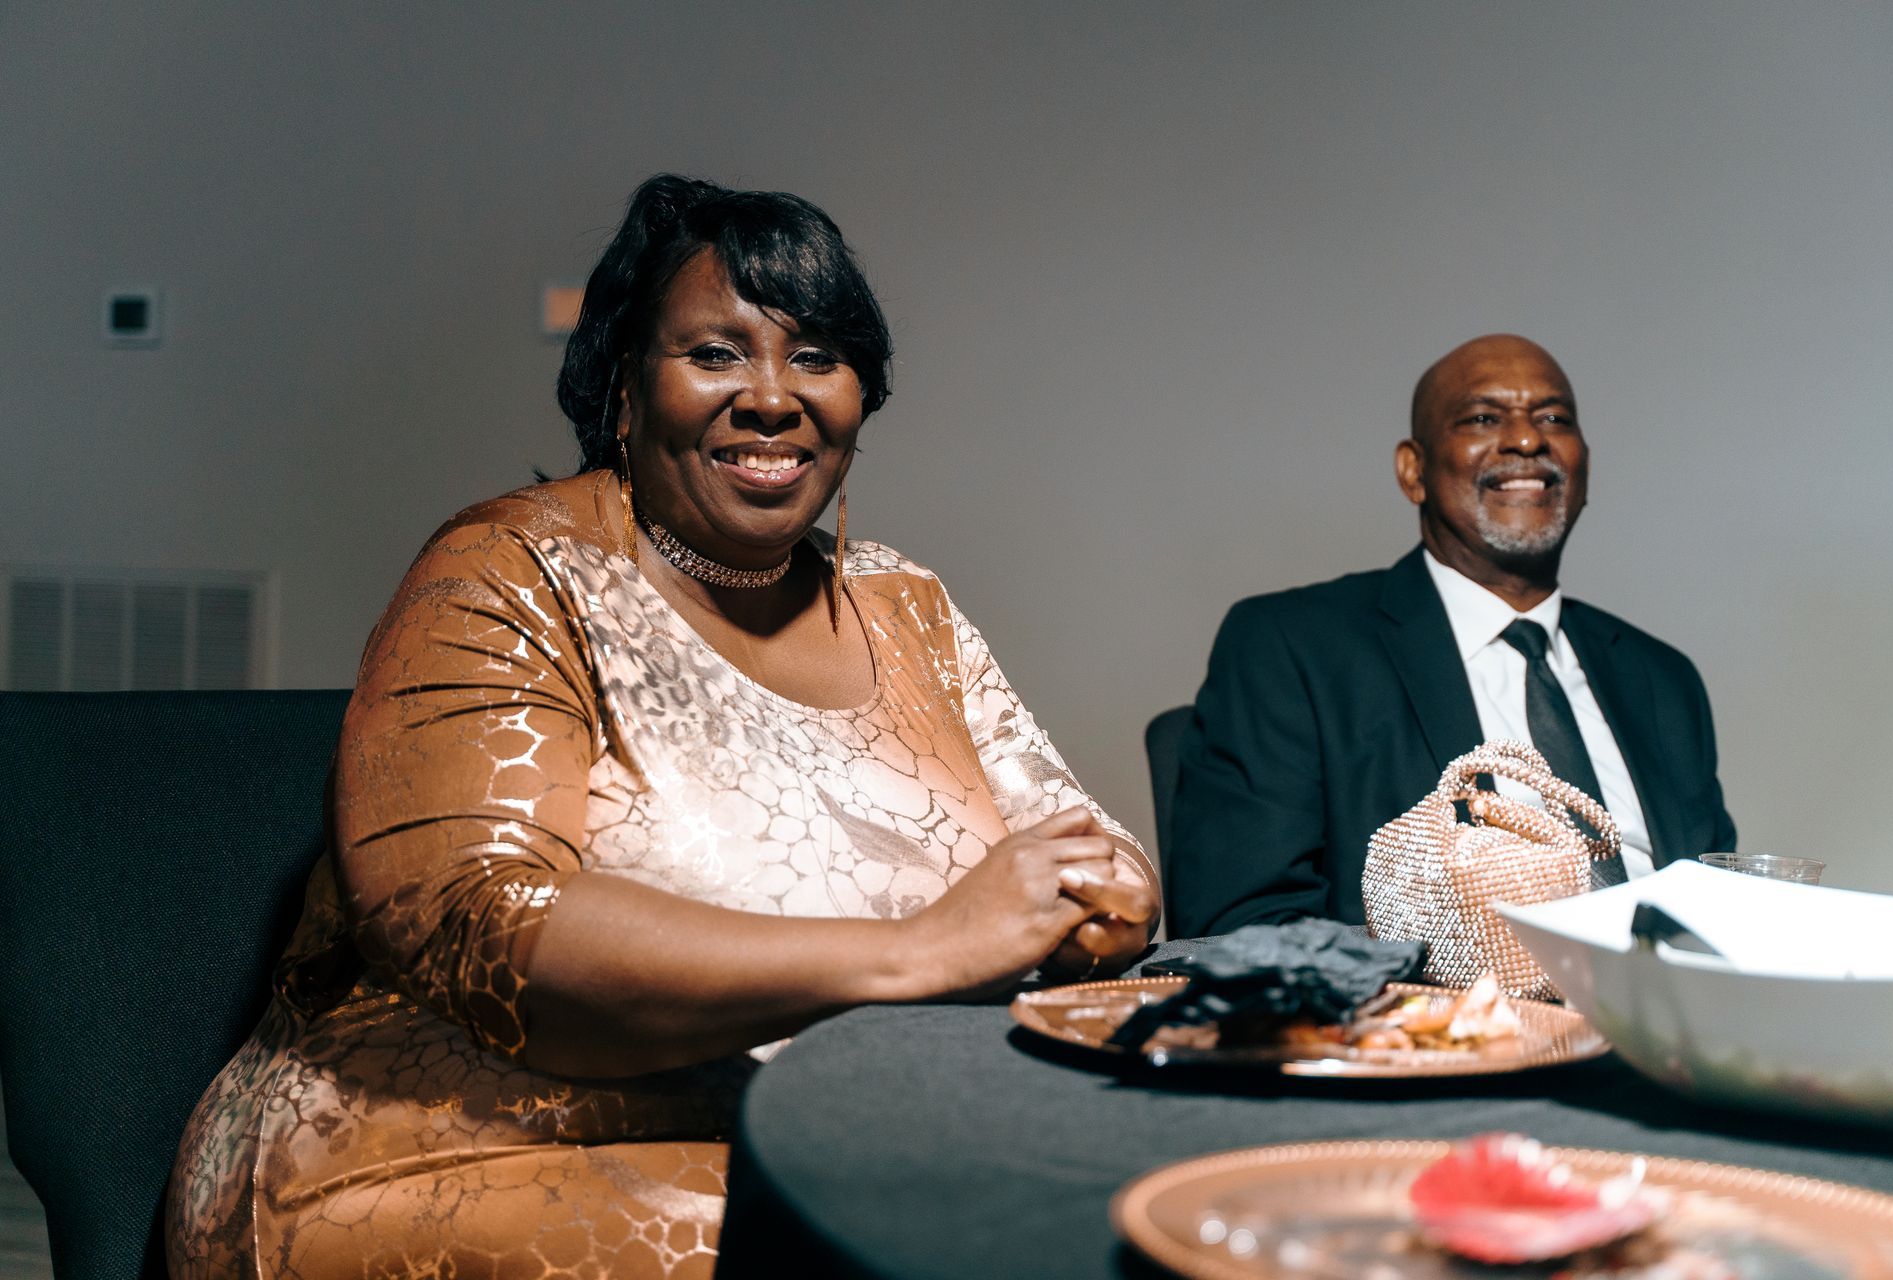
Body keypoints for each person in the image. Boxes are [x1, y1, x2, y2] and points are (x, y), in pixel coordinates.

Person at [166, 175, 1157, 1279]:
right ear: (625, 390)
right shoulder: (512, 570)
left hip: (816, 1128)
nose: (775, 397)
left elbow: (1099, 867)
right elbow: (482, 928)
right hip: (442, 1147)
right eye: (717, 353)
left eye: (818, 356)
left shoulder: (903, 602)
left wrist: (1079, 907)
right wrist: (919, 949)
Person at [1166, 333, 1734, 938]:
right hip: (1438, 1026)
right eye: (1484, 417)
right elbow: (1239, 926)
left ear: (1584, 465)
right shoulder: (1291, 648)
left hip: (1675, 1025)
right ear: (1414, 471)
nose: (1526, 439)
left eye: (1554, 418)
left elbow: (1716, 902)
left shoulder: (1661, 679)